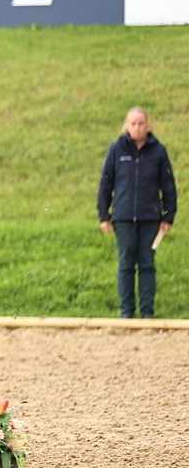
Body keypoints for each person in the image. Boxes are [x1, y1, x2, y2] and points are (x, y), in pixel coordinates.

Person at [98, 107, 177, 318]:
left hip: (150, 218)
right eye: (133, 123)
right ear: (126, 125)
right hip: (123, 218)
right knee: (125, 264)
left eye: (141, 123)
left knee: (147, 264)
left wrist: (168, 216)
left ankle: (147, 311)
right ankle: (126, 311)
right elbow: (106, 183)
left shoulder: (158, 151)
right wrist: (104, 215)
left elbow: (168, 186)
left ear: (148, 126)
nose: (137, 127)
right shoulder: (116, 149)